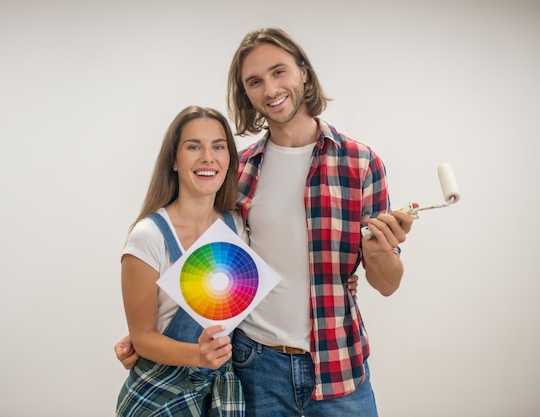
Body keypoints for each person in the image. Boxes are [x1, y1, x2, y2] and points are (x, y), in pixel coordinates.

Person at [117, 28, 415, 417]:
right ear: (246, 94)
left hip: (340, 367)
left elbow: (388, 284)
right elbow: (210, 263)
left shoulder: (361, 164)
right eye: (254, 81)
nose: (270, 89)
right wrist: (150, 336)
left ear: (303, 72)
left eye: (279, 72)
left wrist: (376, 256)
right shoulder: (236, 171)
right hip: (254, 369)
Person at [115, 105, 246, 417]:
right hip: (160, 396)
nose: (207, 158)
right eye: (193, 147)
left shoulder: (238, 226)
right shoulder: (149, 236)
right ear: (173, 160)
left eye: (218, 146)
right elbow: (143, 338)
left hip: (222, 394)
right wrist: (199, 355)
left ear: (229, 159)